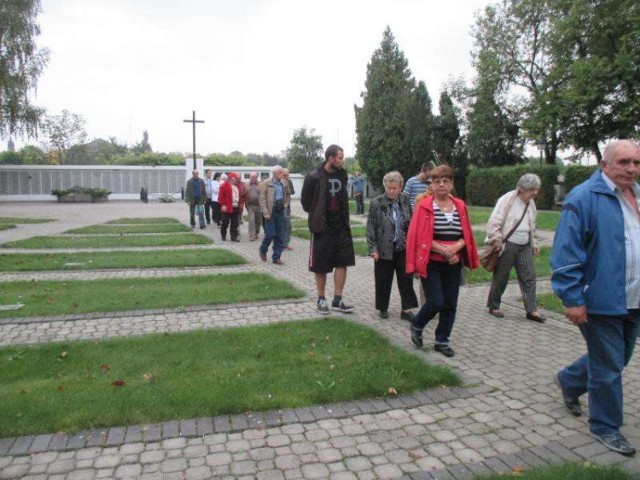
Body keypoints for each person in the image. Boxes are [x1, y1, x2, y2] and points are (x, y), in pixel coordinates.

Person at [551, 140, 640, 457]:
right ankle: (605, 426)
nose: (631, 168)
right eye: (624, 162)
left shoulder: (637, 195)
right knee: (609, 367)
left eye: (636, 163)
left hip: (633, 298)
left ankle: (570, 380)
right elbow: (565, 253)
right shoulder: (584, 198)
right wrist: (572, 298)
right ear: (605, 164)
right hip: (600, 299)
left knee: (618, 358)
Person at [406, 165, 479, 357]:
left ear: (452, 184)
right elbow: (420, 237)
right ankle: (417, 323)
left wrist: (456, 248)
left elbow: (467, 235)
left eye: (445, 181)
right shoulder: (424, 206)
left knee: (450, 304)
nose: (441, 185)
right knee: (436, 302)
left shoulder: (460, 206)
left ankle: (442, 340)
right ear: (431, 185)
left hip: (453, 263)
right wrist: (444, 250)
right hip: (432, 262)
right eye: (437, 181)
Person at [301, 144, 355, 314]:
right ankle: (321, 299)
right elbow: (305, 202)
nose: (342, 160)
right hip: (322, 228)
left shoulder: (342, 174)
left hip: (341, 226)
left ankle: (337, 300)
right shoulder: (314, 176)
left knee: (343, 262)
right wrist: (318, 214)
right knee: (321, 266)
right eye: (340, 157)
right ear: (330, 158)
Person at [485, 174, 546, 322]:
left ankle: (531, 310)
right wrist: (497, 240)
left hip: (525, 246)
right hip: (507, 245)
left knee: (529, 277)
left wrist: (534, 243)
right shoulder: (507, 200)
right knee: (501, 276)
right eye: (532, 189)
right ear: (521, 189)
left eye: (536, 189)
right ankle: (494, 305)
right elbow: (494, 222)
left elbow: (532, 225)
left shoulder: (531, 204)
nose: (535, 193)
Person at [367, 171, 418, 320]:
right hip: (383, 248)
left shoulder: (405, 200)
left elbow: (411, 222)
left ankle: (406, 310)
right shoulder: (377, 203)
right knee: (383, 279)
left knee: (406, 279)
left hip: (403, 247)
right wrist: (373, 249)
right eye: (389, 187)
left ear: (400, 187)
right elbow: (371, 226)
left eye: (394, 188)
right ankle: (383, 308)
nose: (391, 191)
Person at [259, 165, 289, 265]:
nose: (283, 174)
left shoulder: (284, 183)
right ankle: (263, 249)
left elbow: (288, 195)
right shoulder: (266, 183)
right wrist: (265, 212)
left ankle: (276, 257)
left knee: (280, 235)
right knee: (271, 233)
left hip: (280, 210)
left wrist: (285, 205)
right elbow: (262, 199)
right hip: (270, 211)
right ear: (275, 173)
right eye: (280, 172)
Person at [218, 172, 241, 242]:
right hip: (227, 207)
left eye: (235, 178)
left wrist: (241, 203)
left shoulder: (237, 186)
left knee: (235, 223)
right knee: (225, 222)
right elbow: (220, 197)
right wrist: (222, 205)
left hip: (236, 206)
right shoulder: (224, 186)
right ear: (229, 178)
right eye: (232, 178)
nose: (233, 180)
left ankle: (234, 237)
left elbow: (240, 196)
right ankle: (223, 235)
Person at [281, 168, 295, 250]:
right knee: (283, 226)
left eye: (287, 175)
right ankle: (281, 244)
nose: (287, 177)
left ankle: (285, 244)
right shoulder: (277, 181)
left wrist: (288, 191)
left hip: (287, 206)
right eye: (285, 175)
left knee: (288, 226)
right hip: (280, 207)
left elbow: (293, 191)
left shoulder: (289, 181)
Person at [245, 171, 262, 241]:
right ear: (250, 177)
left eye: (254, 177)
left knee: (258, 221)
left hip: (259, 205)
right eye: (251, 177)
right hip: (250, 205)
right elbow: (244, 195)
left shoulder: (261, 184)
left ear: (257, 177)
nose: (253, 178)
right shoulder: (246, 185)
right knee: (251, 220)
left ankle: (256, 233)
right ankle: (252, 235)